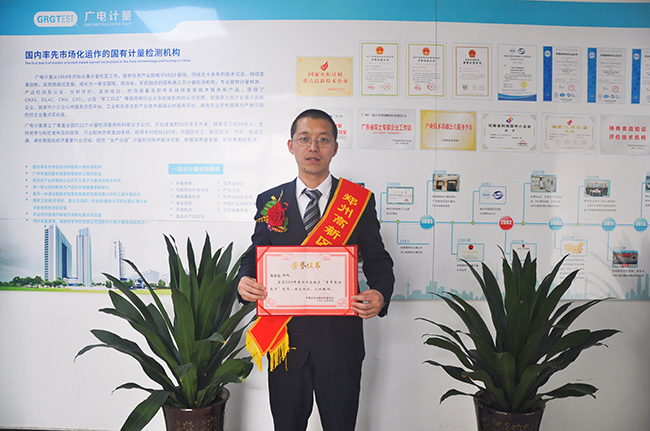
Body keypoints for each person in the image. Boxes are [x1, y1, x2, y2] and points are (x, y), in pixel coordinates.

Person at [237, 108, 394, 431]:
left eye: (323, 140)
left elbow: (379, 261)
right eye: (304, 139)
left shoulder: (358, 201)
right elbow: (254, 255)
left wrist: (379, 293)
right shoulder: (270, 200)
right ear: (291, 145)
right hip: (286, 343)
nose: (313, 147)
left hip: (340, 345)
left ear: (334, 148)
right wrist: (244, 280)